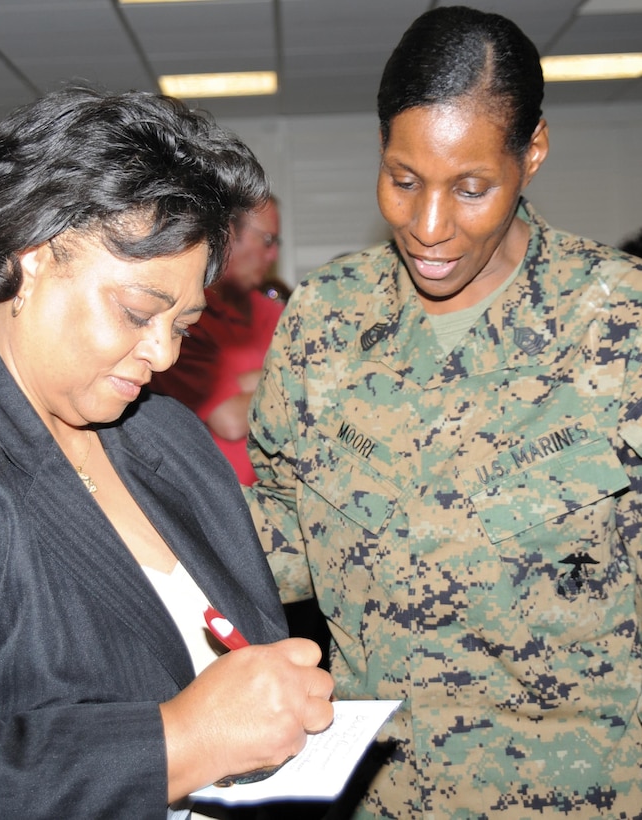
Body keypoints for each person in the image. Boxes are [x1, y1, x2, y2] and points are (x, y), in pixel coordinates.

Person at [0, 86, 334, 819]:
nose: (161, 355)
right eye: (137, 311)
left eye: (183, 325)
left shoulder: (167, 436)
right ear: (31, 258)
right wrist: (183, 740)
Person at [245, 6, 642, 818]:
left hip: (571, 797)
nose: (428, 227)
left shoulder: (620, 325)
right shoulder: (324, 320)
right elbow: (278, 534)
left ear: (529, 153)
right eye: (402, 180)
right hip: (373, 796)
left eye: (470, 188)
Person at [151, 197, 284, 484]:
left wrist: (245, 382)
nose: (272, 255)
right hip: (214, 506)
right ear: (228, 236)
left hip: (281, 505)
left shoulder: (274, 313)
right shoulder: (185, 318)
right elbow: (230, 420)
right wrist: (289, 376)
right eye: (268, 240)